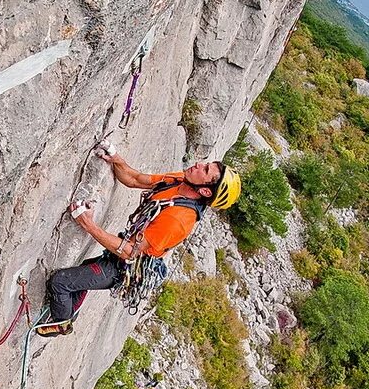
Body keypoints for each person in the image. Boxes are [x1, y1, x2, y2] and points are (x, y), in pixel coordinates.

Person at [36, 141, 241, 336]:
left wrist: (87, 224)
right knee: (84, 272)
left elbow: (129, 251)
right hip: (125, 251)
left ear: (205, 190)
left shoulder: (178, 219)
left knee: (60, 282)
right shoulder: (181, 182)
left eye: (205, 170)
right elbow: (135, 179)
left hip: (125, 267)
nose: (199, 164)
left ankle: (61, 324)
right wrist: (116, 158)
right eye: (206, 164)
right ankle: (70, 309)